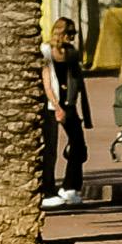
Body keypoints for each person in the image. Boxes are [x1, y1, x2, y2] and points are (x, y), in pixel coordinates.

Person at [40, 18, 91, 207]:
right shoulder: (46, 52)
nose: (72, 37)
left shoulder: (71, 53)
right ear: (60, 32)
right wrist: (56, 104)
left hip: (69, 104)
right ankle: (47, 189)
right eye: (69, 33)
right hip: (52, 105)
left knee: (78, 145)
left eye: (74, 34)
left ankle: (71, 186)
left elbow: (75, 79)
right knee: (49, 148)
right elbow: (47, 80)